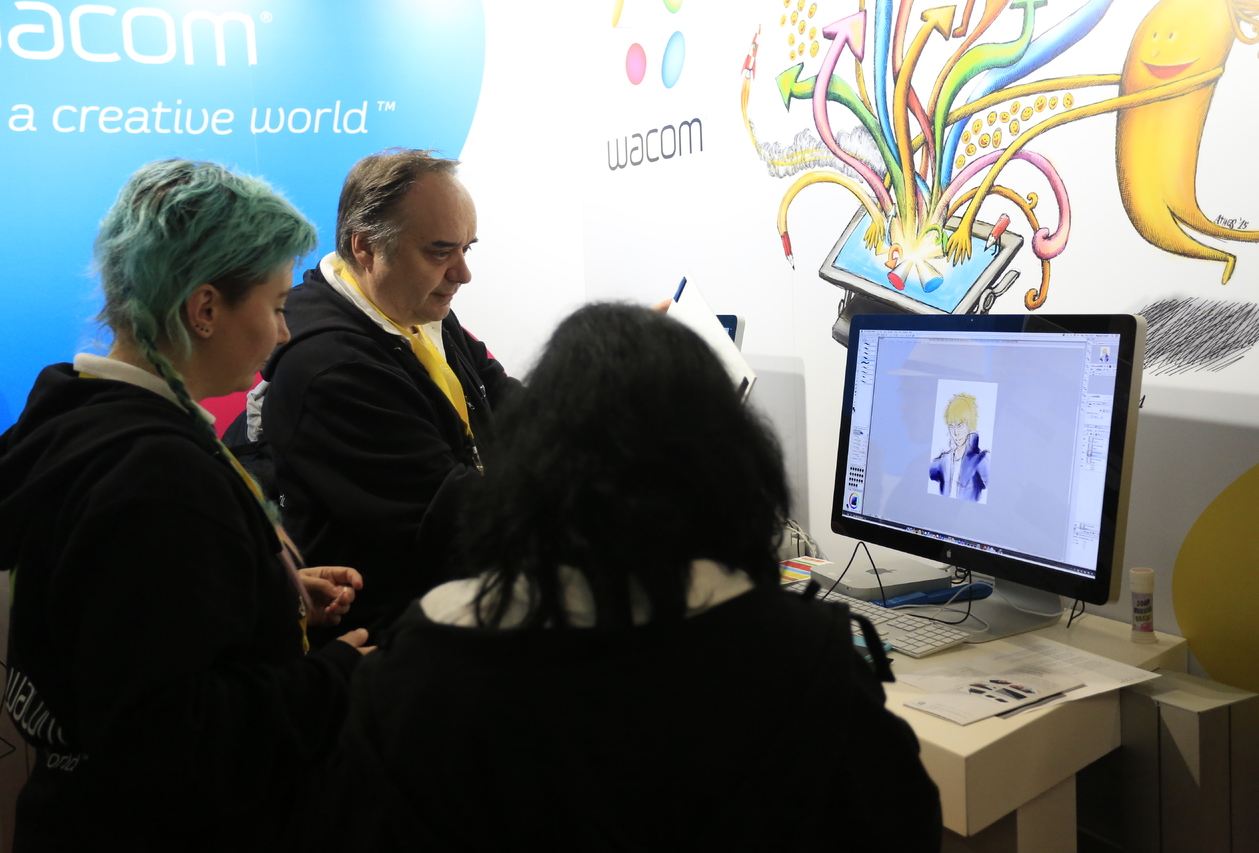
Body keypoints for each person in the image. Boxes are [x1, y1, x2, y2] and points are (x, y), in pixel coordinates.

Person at [322, 304, 942, 851]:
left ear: (526, 464)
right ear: (727, 465)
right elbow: (901, 823)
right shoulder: (807, 660)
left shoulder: (413, 672)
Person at [0, 160, 371, 851]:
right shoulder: (158, 477)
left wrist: (264, 591)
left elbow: (119, 625)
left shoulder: (81, 420)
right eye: (278, 306)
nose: (285, 333)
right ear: (205, 309)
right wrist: (332, 675)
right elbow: (171, 741)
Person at [258, 148, 517, 643]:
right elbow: (455, 518)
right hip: (396, 644)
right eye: (440, 252)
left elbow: (505, 402)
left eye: (467, 249)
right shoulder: (333, 368)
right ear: (365, 247)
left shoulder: (411, 305)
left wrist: (598, 393)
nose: (463, 273)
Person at [929, 392, 990, 502]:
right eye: (951, 426)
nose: (956, 433)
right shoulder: (944, 460)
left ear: (970, 425)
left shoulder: (981, 460)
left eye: (960, 426)